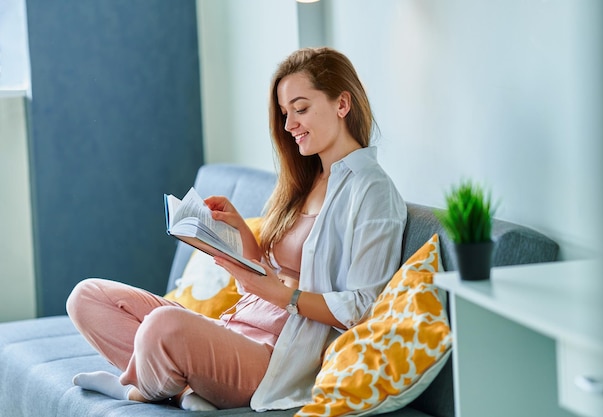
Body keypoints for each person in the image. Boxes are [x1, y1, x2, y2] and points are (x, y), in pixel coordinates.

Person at [66, 46, 407, 411]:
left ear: (342, 104)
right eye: (285, 113)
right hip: (235, 324)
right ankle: (183, 390)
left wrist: (280, 295)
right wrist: (237, 231)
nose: (289, 125)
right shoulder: (306, 178)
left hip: (276, 356)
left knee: (163, 326)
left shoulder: (373, 191)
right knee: (87, 297)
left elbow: (363, 307)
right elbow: (271, 272)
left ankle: (134, 389)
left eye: (301, 108)